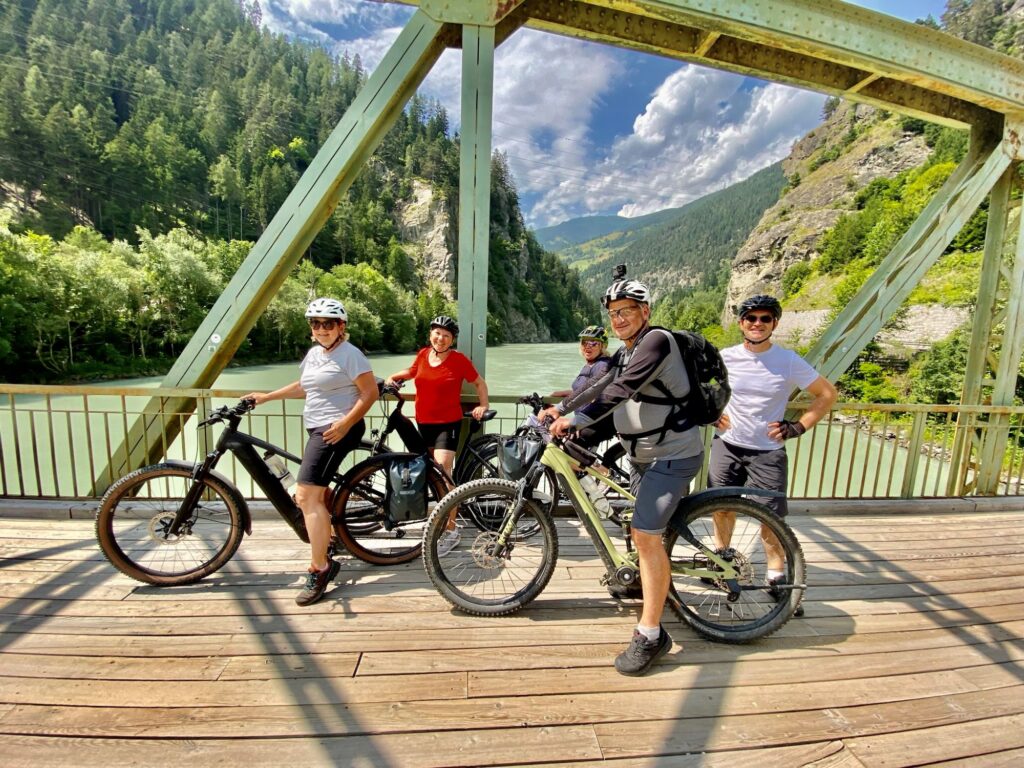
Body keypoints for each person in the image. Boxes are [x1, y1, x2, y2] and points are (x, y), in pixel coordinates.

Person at [543, 277, 703, 677]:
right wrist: (560, 407)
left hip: (672, 456)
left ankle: (651, 634)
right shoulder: (626, 350)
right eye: (613, 313)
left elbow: (623, 389)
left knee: (645, 535)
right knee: (640, 528)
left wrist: (575, 418)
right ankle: (643, 580)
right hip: (642, 458)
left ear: (645, 312)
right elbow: (600, 384)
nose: (618, 319)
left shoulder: (656, 342)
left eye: (626, 311)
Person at [710, 294, 837, 617]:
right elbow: (698, 388)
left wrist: (797, 427)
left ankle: (776, 576)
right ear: (741, 323)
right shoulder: (725, 357)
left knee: (771, 518)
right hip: (727, 444)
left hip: (768, 452)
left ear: (775, 324)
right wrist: (710, 413)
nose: (757, 324)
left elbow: (826, 394)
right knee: (721, 508)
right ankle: (723, 560)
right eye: (751, 318)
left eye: (765, 319)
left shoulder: (789, 360)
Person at [245, 297, 377, 607]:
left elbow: (369, 392)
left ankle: (321, 568)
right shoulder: (315, 354)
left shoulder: (350, 354)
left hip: (335, 429)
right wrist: (266, 397)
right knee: (316, 494)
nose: (321, 329)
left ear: (341, 327)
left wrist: (345, 423)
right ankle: (328, 540)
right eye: (315, 324)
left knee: (305, 496)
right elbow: (304, 386)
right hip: (317, 428)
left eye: (328, 324)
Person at [545, 325, 617, 448]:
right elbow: (583, 390)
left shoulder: (602, 365)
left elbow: (597, 395)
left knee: (568, 457)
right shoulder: (590, 365)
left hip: (592, 423)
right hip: (584, 421)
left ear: (603, 346)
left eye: (593, 343)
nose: (588, 346)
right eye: (584, 342)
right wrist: (561, 393)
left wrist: (579, 423)